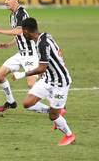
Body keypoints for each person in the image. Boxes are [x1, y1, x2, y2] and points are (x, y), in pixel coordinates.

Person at [12, 17, 76, 146]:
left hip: (60, 83)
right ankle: (56, 113)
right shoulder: (44, 36)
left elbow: (42, 67)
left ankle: (69, 135)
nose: (22, 35)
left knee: (53, 117)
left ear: (26, 31)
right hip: (48, 79)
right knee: (27, 103)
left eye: (22, 32)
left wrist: (21, 74)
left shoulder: (42, 44)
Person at [0, 0, 49, 113]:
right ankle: (11, 101)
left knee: (32, 86)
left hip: (31, 54)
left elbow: (20, 31)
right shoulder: (12, 15)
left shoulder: (21, 13)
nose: (6, 2)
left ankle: (53, 108)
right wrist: (8, 45)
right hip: (21, 54)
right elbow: (20, 35)